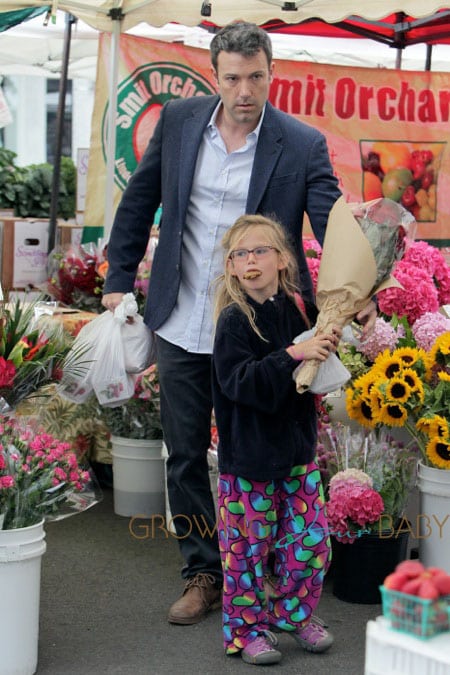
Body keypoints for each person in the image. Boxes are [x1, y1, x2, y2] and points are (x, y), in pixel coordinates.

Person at [101, 20, 377, 626]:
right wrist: (119, 277)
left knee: (266, 454)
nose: (244, 90)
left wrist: (360, 283)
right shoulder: (178, 123)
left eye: (256, 77)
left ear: (272, 73)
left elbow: (331, 222)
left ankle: (267, 571)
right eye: (232, 78)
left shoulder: (300, 144)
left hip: (261, 332)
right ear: (215, 75)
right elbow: (139, 200)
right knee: (183, 453)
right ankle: (204, 573)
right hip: (179, 321)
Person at [212, 214, 339, 665]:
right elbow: (241, 383)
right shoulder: (233, 321)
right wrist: (293, 355)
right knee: (247, 551)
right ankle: (247, 631)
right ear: (230, 267)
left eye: (260, 250)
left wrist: (324, 349)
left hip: (298, 456)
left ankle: (294, 614)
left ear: (283, 260)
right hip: (249, 463)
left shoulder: (296, 308)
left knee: (309, 543)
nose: (250, 260)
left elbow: (306, 373)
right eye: (240, 253)